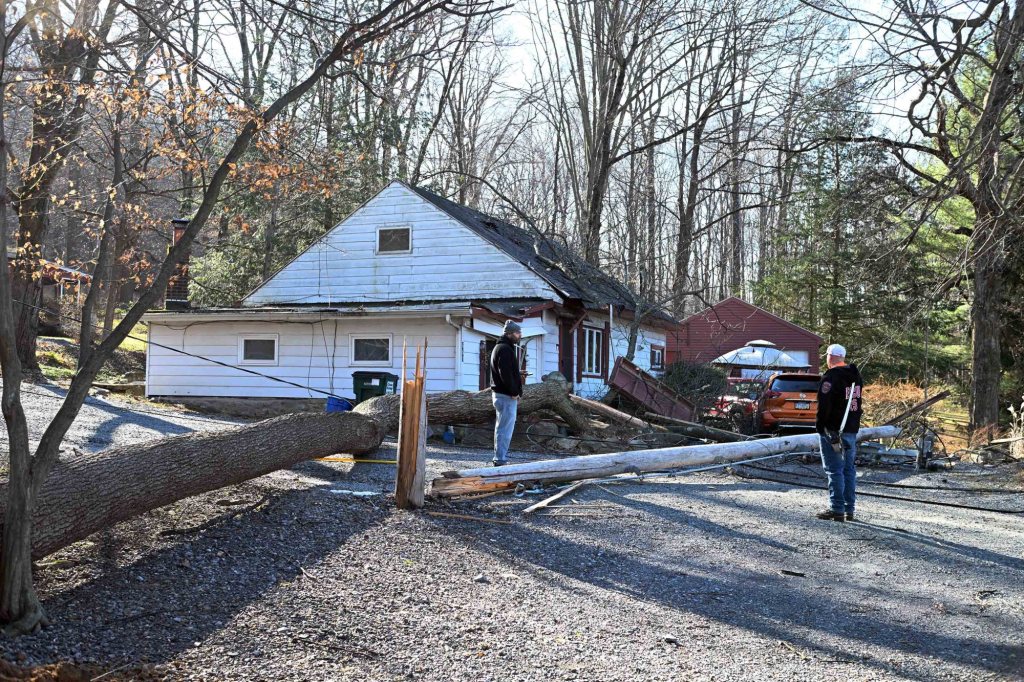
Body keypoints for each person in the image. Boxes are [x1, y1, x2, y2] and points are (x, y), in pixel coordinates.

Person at [815, 343, 864, 522]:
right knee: (848, 470)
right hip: (851, 429)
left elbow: (824, 406)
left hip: (833, 430)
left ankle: (836, 509)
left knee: (834, 470)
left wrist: (821, 427)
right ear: (842, 357)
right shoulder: (856, 376)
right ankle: (849, 509)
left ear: (830, 357)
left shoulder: (831, 377)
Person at [490, 320, 526, 466]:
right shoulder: (505, 349)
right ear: (510, 333)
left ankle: (500, 457)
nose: (520, 335)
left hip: (500, 394)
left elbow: (506, 371)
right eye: (518, 333)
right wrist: (514, 391)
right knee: (505, 429)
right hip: (505, 395)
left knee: (501, 428)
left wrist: (517, 374)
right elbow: (504, 373)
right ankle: (500, 459)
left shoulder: (500, 347)